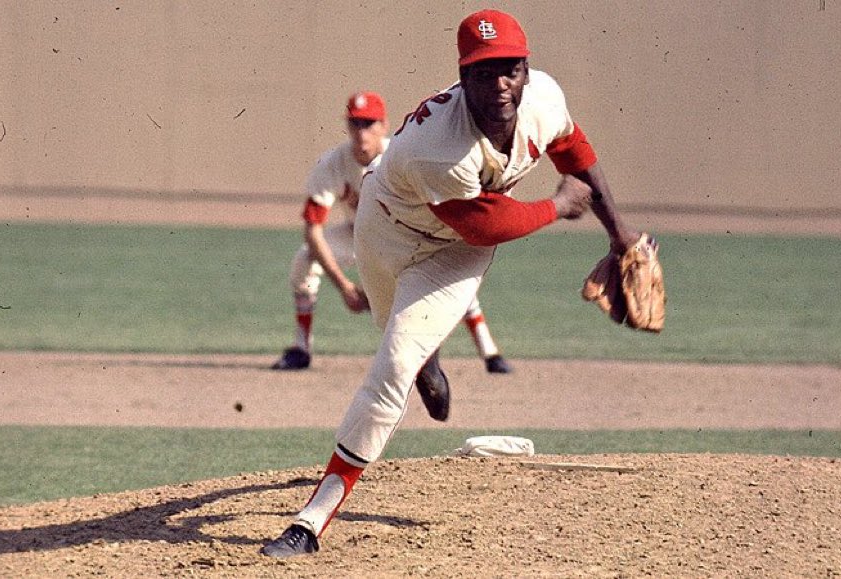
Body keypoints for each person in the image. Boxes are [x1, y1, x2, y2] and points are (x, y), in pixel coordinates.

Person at [260, 9, 641, 557]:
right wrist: (558, 207)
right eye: (484, 72)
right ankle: (428, 357)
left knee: (393, 364)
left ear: (526, 70)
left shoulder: (545, 99)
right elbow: (487, 223)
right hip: (385, 232)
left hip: (453, 254)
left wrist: (620, 236)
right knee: (402, 345)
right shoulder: (439, 146)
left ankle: (310, 522)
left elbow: (576, 155)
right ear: (463, 78)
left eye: (510, 69)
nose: (500, 83)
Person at [271, 90, 513, 375]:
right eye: (355, 123)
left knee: (446, 274)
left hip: (404, 232)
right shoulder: (332, 163)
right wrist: (345, 287)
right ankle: (301, 348)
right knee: (304, 259)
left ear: (384, 125)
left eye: (369, 123)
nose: (362, 132)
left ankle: (489, 352)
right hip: (358, 232)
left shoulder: (399, 154)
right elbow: (313, 231)